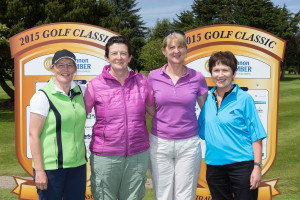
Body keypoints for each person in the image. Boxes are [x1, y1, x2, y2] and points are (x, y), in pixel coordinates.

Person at [84, 36, 154, 200]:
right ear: (107, 57)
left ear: (130, 57)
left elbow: (155, 111)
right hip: (105, 157)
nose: (119, 57)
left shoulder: (142, 81)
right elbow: (78, 116)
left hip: (137, 155)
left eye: (124, 53)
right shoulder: (95, 85)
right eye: (114, 53)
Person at [198, 51, 268, 200]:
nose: (220, 75)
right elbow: (203, 132)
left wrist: (257, 167)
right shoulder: (208, 100)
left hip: (242, 167)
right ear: (211, 73)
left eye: (225, 70)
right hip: (214, 168)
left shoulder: (244, 99)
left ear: (234, 72)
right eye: (216, 70)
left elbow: (256, 136)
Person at [147, 30, 208, 200]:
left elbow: (207, 110)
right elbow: (149, 107)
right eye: (172, 47)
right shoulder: (152, 76)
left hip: (188, 144)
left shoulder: (197, 77)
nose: (176, 51)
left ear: (186, 50)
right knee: (163, 195)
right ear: (164, 51)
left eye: (180, 46)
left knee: (185, 195)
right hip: (160, 144)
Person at [29, 49, 87, 200]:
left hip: (77, 167)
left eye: (70, 65)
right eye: (60, 65)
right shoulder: (42, 96)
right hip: (51, 169)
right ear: (52, 68)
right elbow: (33, 135)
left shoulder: (82, 92)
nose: (65, 69)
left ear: (75, 68)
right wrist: (40, 171)